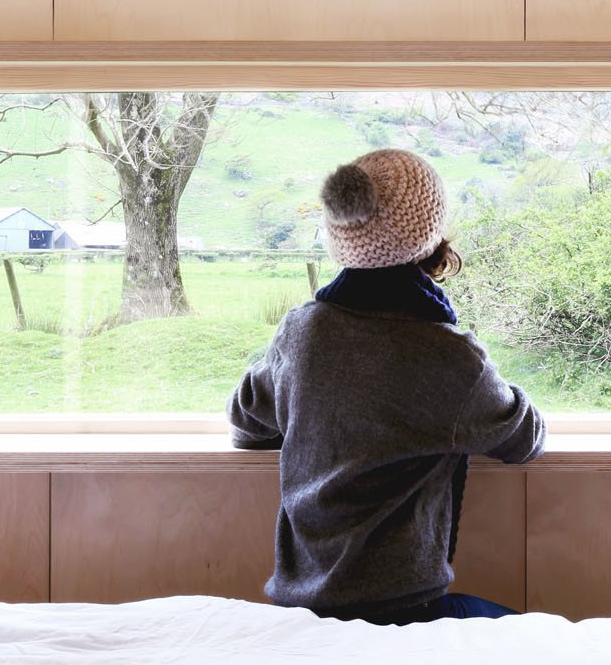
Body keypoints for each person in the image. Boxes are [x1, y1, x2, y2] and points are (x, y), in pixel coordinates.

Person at [227, 147, 545, 624]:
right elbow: (524, 438)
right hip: (404, 611)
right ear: (432, 239)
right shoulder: (446, 355)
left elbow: (246, 423)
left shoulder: (302, 331)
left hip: (299, 609)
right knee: (536, 637)